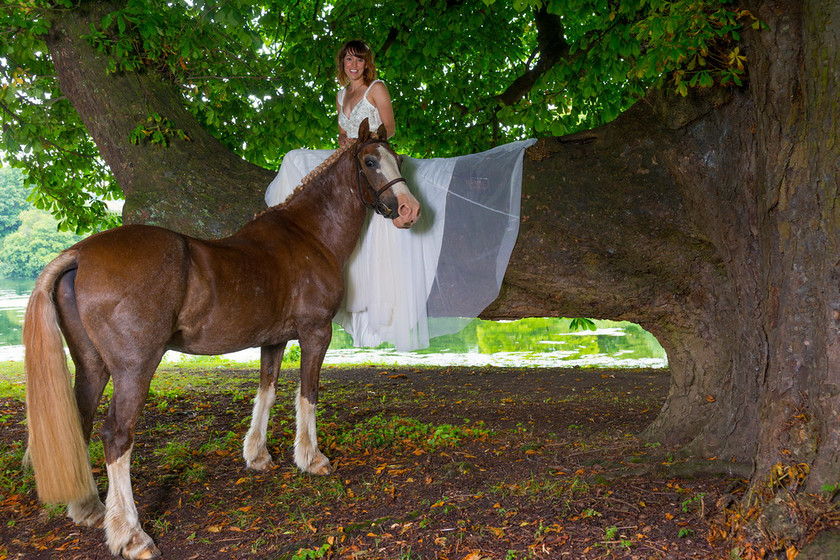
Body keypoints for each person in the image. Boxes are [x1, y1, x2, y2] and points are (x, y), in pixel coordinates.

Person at [265, 40, 535, 351]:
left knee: (378, 201)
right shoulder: (341, 95)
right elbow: (341, 132)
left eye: (359, 60)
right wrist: (343, 140)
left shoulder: (376, 88)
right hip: (350, 158)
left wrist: (360, 141)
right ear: (342, 64)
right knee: (295, 159)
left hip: (373, 152)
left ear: (367, 64)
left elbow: (389, 128)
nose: (353, 66)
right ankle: (290, 222)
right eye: (348, 60)